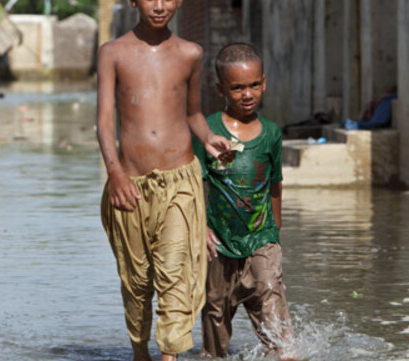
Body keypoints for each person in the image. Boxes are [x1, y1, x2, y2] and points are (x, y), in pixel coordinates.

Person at [96, 1, 233, 360]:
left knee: (176, 273)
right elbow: (104, 122)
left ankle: (170, 355)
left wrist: (208, 138)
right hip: (130, 184)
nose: (159, 6)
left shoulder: (190, 53)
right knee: (137, 281)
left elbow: (192, 112)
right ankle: (140, 352)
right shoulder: (112, 53)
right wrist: (115, 172)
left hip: (180, 181)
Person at [192, 43, 296, 359]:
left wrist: (274, 236)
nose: (247, 94)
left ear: (263, 82)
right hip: (218, 243)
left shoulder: (271, 134)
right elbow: (195, 185)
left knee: (274, 314)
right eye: (237, 88)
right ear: (220, 88)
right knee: (215, 317)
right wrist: (200, 230)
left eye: (253, 85)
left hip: (261, 238)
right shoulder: (208, 130)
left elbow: (275, 186)